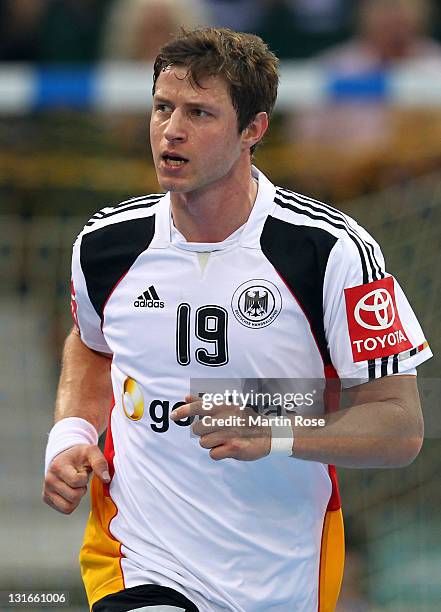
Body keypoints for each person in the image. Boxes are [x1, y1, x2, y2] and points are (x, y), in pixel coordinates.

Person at [42, 27, 432, 612]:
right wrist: (70, 434)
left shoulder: (330, 252)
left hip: (280, 572)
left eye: (199, 112)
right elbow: (91, 345)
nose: (171, 130)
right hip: (141, 556)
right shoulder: (105, 245)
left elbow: (401, 426)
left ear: (254, 129)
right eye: (162, 108)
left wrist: (271, 427)